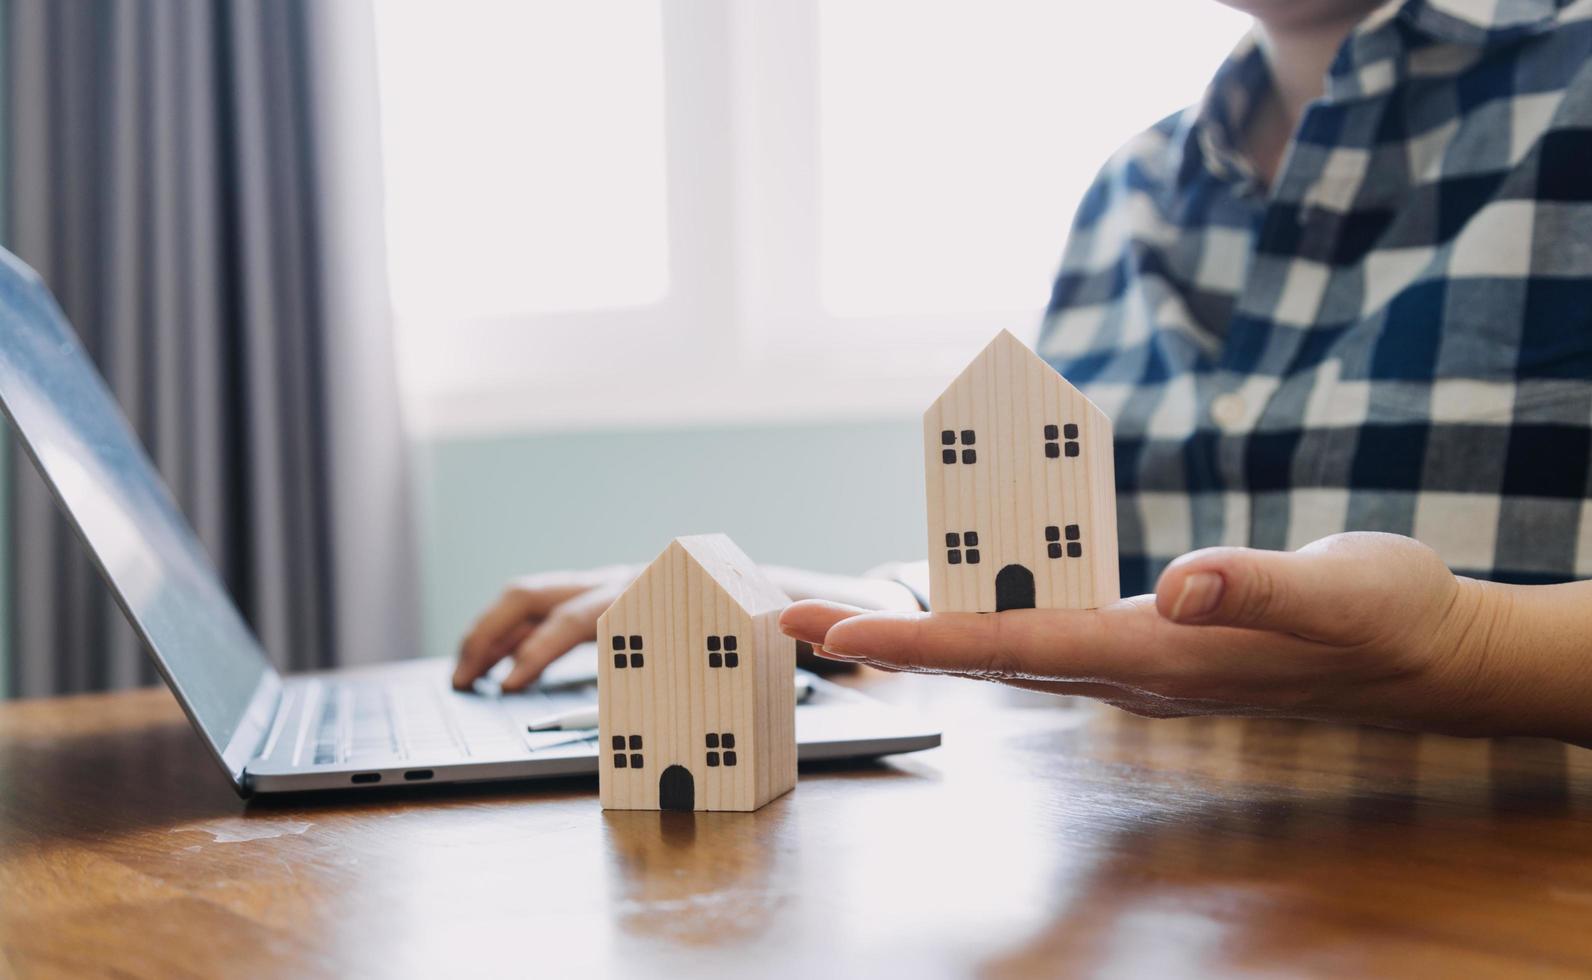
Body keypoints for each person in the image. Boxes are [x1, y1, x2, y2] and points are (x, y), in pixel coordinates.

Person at [455, 0, 1592, 747]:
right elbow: (1103, 575)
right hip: (1185, 905)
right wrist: (882, 603)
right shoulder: (1130, 189)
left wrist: (1463, 641)